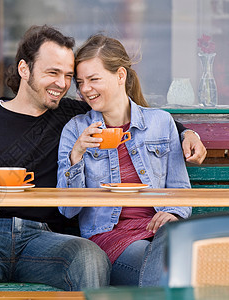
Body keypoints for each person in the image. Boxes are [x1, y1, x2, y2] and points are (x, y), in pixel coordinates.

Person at [0, 25, 205, 291]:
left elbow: (137, 119)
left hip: (43, 238)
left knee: (91, 260)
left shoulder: (69, 115)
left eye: (69, 76)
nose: (63, 84)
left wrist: (185, 132)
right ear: (24, 69)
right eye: (53, 73)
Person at [57, 34, 192, 287]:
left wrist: (174, 213)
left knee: (174, 244)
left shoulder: (161, 123)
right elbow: (67, 210)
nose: (85, 89)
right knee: (170, 269)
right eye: (80, 82)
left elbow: (180, 190)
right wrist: (76, 156)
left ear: (120, 76)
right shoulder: (75, 131)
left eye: (94, 79)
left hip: (159, 233)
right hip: (110, 239)